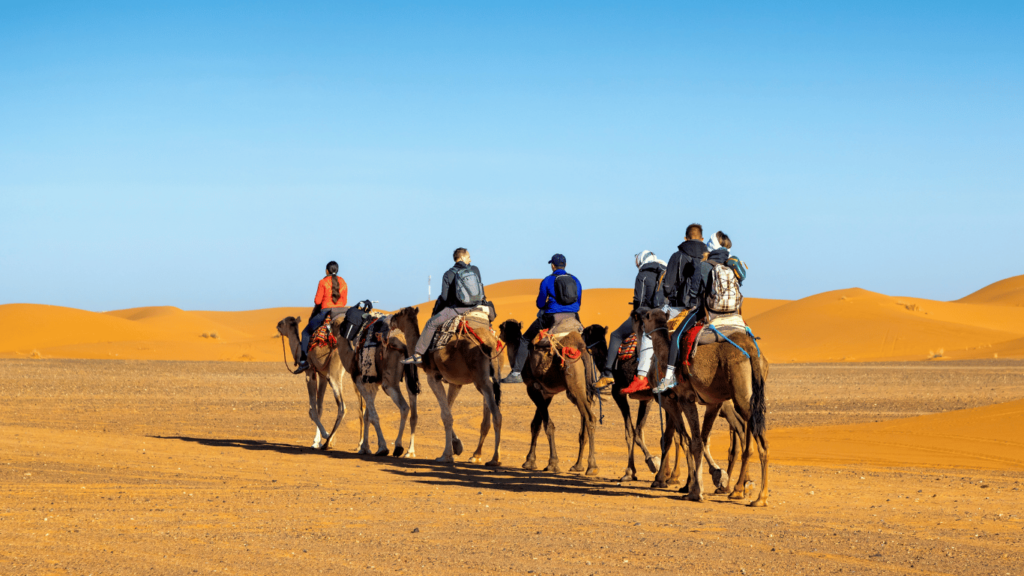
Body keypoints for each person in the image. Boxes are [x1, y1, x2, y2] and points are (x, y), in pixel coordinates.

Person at [621, 224, 715, 394]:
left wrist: (667, 298)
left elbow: (668, 285)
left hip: (680, 308)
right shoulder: (709, 256)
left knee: (650, 334)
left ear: (685, 238)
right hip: (707, 309)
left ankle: (642, 377)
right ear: (702, 239)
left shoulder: (677, 256)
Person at [649, 230, 734, 394]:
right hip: (731, 313)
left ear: (712, 246)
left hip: (707, 311)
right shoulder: (732, 264)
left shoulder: (704, 265)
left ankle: (669, 377)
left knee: (676, 336)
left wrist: (691, 302)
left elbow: (694, 292)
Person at [501, 253, 583, 384]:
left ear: (552, 266)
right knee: (583, 341)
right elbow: (578, 303)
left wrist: (547, 306)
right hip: (574, 316)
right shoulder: (575, 280)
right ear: (565, 264)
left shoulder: (547, 280)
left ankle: (516, 373)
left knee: (525, 339)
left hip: (551, 317)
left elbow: (539, 303)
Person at [402, 247, 487, 365]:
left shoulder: (448, 274)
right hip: (477, 306)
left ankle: (418, 354)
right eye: (468, 257)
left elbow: (445, 298)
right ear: (462, 257)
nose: (470, 260)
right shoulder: (475, 270)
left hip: (457, 309)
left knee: (431, 323)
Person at [598, 250, 666, 381]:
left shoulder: (643, 275)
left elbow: (639, 302)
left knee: (615, 335)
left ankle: (607, 373)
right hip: (664, 314)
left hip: (646, 315)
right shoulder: (666, 271)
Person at [296, 261, 349, 372]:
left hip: (326, 312)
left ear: (326, 271)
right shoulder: (343, 282)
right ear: (337, 270)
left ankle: (303, 361)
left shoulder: (323, 282)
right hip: (342, 311)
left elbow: (317, 301)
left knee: (305, 333)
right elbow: (344, 301)